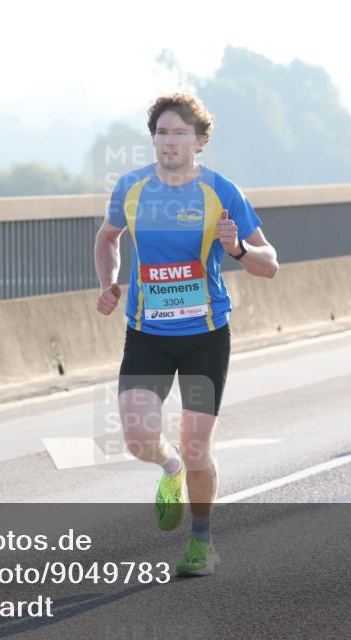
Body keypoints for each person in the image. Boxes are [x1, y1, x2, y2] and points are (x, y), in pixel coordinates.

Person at [93, 93, 279, 576]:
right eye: (161, 133)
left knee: (199, 445)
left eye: (178, 133)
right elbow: (107, 239)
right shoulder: (131, 189)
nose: (168, 141)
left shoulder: (221, 191)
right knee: (137, 439)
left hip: (205, 336)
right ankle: (169, 468)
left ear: (200, 141)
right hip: (147, 333)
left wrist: (236, 249)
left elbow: (270, 264)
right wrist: (108, 283)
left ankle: (201, 542)